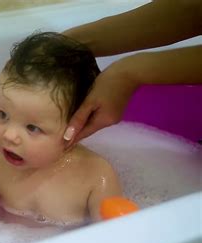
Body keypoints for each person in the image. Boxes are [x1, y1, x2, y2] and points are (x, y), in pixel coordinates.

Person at [0, 32, 122, 226]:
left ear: (78, 127)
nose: (9, 135)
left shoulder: (95, 177)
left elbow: (113, 238)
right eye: (3, 115)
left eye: (32, 128)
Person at [61, 0, 202, 146]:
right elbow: (191, 8)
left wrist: (129, 74)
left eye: (35, 128)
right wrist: (63, 45)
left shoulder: (96, 166)